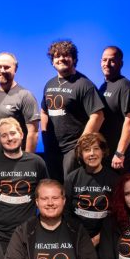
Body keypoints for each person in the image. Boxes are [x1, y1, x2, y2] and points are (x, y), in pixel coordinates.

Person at [0, 117, 48, 252]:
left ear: (21, 135)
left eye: (12, 133)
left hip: (28, 231)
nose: (9, 138)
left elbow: (45, 193)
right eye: (4, 135)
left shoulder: (37, 162)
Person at [41, 40, 104, 181]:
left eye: (66, 55)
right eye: (57, 56)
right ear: (52, 61)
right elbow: (44, 111)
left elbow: (98, 115)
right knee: (54, 187)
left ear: (74, 59)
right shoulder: (49, 84)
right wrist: (45, 137)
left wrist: (81, 144)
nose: (61, 59)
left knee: (70, 188)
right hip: (53, 148)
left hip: (72, 148)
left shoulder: (84, 84)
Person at [0, 52, 40, 160]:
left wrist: (27, 162)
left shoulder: (25, 95)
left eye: (7, 67)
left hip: (16, 163)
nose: (2, 70)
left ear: (15, 70)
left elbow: (33, 132)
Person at [63, 133, 120, 245]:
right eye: (87, 150)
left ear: (102, 152)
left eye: (96, 149)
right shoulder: (72, 178)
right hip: (77, 236)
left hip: (106, 237)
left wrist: (100, 237)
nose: (92, 153)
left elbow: (118, 214)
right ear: (81, 154)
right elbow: (66, 211)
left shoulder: (114, 179)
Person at [97, 46, 130, 171]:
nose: (107, 64)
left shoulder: (125, 86)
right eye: (104, 60)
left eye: (112, 60)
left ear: (121, 64)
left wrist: (120, 153)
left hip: (119, 157)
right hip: (106, 154)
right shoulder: (103, 86)